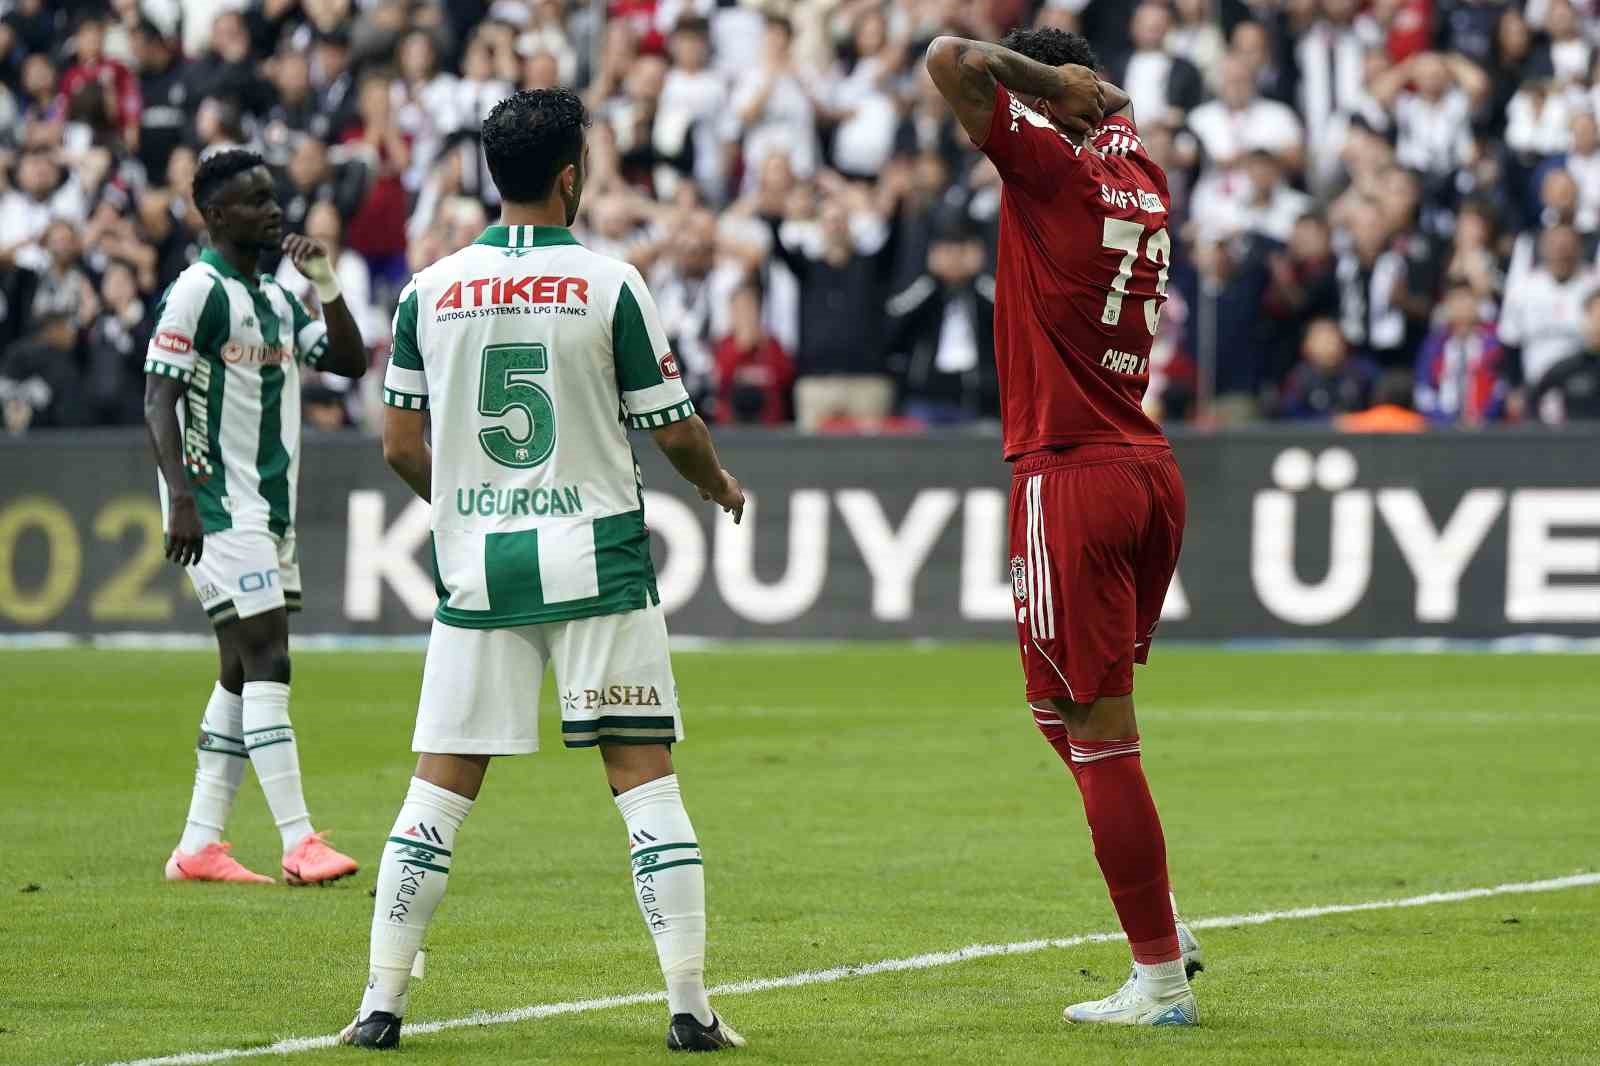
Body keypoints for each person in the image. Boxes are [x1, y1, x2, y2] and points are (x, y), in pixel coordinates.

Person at [341, 88, 747, 1053]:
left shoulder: (428, 290)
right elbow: (672, 428)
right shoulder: (610, 284)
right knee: (644, 782)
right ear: (572, 176)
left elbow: (399, 444)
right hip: (597, 560)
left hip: (479, 570)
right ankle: (688, 1006)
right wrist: (717, 484)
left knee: (437, 792)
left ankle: (380, 1003)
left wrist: (466, 508)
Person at [925, 27, 1202, 1028]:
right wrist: (1080, 92)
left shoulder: (1049, 173)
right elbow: (1114, 105)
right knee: (1060, 709)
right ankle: (1164, 920)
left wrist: (1036, 85)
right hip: (1145, 467)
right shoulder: (1139, 174)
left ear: (1042, 105)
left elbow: (950, 57)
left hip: (1071, 472)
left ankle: (1160, 981)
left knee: (1099, 733)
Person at [143, 148, 368, 886]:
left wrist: (325, 282)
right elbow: (158, 398)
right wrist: (180, 496)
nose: (274, 211)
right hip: (216, 502)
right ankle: (299, 841)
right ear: (215, 215)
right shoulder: (197, 291)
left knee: (241, 669)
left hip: (268, 505)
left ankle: (198, 845)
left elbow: (348, 361)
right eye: (255, 201)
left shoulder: (274, 299)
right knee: (270, 654)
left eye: (274, 198)